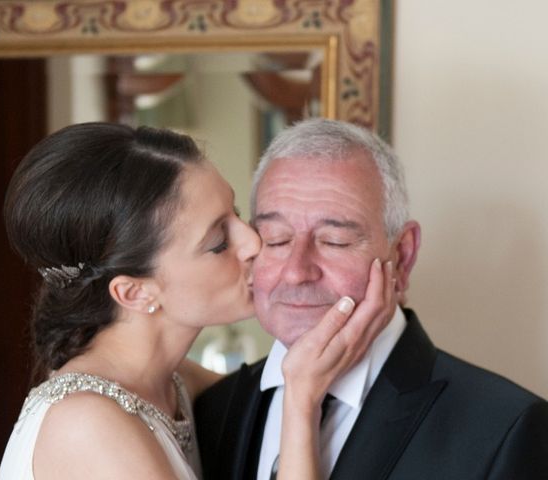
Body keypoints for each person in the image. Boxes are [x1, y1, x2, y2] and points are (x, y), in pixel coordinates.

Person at [0, 122, 396, 479]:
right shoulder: (86, 427)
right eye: (219, 242)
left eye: (238, 214)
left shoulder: (173, 382)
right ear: (136, 292)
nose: (254, 242)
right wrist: (301, 401)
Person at [195, 118, 548, 479]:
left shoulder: (504, 429)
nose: (297, 271)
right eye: (276, 239)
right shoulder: (213, 411)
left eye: (335, 241)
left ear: (403, 255)